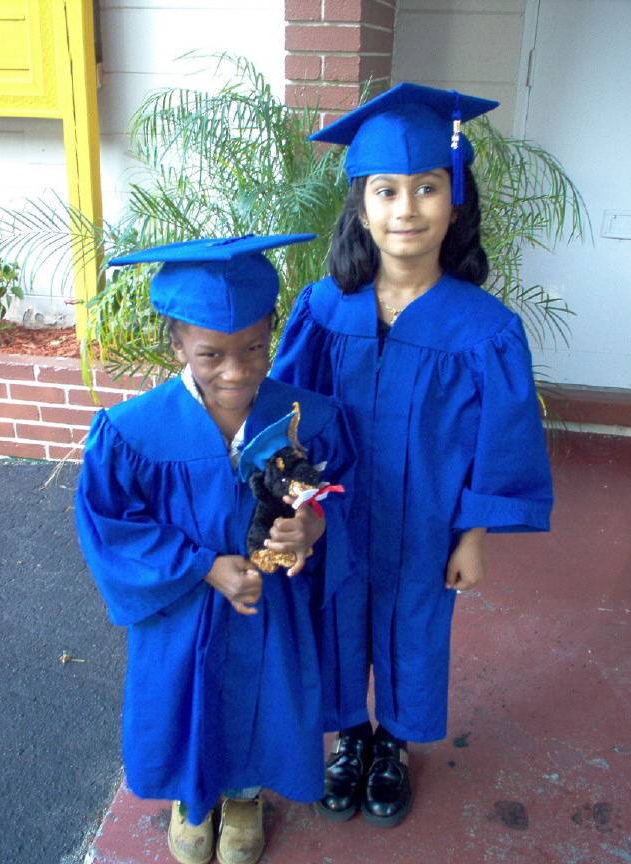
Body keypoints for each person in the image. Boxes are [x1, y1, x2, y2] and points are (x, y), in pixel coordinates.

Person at [270, 83, 554, 828]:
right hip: (336, 517)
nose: (406, 208)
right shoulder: (323, 309)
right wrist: (290, 501)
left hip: (427, 522)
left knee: (415, 627)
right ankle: (350, 737)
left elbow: (502, 440)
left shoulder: (485, 328)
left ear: (455, 201)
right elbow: (288, 418)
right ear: (361, 207)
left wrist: (474, 534)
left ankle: (392, 741)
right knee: (335, 619)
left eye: (427, 187)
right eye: (386, 191)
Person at [75, 234, 355, 864]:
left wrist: (313, 526)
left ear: (271, 332)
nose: (236, 370)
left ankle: (245, 797)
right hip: (184, 609)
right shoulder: (132, 431)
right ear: (177, 345)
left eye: (254, 347)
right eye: (211, 354)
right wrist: (202, 566)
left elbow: (346, 494)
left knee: (267, 700)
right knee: (184, 700)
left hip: (272, 607)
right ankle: (191, 799)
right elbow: (111, 525)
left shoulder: (309, 419)